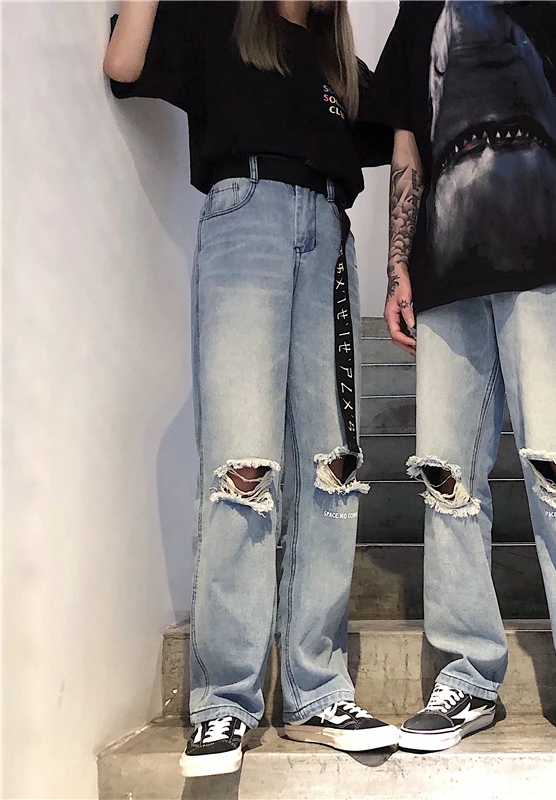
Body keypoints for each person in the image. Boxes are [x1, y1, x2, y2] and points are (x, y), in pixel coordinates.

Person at [104, 0, 397, 778]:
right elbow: (123, 64)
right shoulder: (220, 20)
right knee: (242, 464)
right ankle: (225, 701)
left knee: (333, 469)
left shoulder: (337, 65)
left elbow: (406, 118)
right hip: (246, 217)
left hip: (328, 234)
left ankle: (316, 690)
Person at [367, 0, 556, 772]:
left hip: (555, 249)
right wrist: (397, 262)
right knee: (447, 479)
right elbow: (407, 133)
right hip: (444, 270)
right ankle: (465, 676)